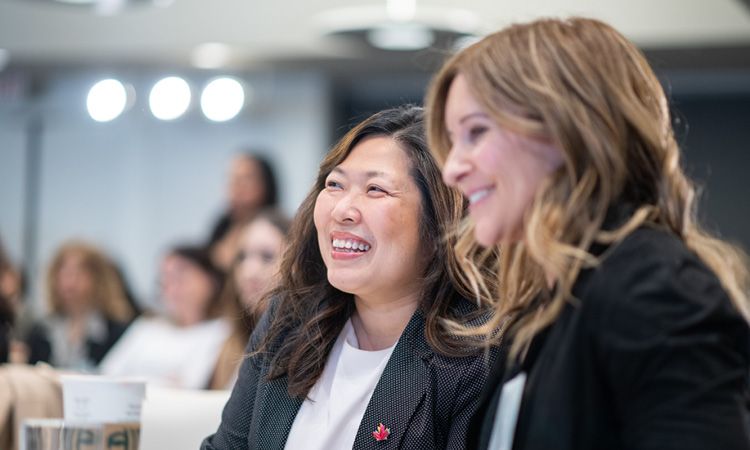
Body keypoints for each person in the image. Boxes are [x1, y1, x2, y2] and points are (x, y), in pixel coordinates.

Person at [425, 16, 750, 450]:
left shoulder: (653, 287)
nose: (451, 169)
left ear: (570, 130)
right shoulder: (542, 308)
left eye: (476, 132)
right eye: (452, 140)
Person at [202, 106, 494, 449]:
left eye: (375, 189)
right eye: (335, 184)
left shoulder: (474, 354)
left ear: (440, 221)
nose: (342, 210)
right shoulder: (290, 319)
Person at [99, 245, 231, 389]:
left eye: (180, 276)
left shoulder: (220, 330)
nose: (172, 287)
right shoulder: (146, 327)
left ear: (211, 280)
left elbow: (190, 386)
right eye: (165, 279)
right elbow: (106, 374)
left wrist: (133, 381)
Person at [210, 208, 291, 389]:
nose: (249, 271)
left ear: (296, 265)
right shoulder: (231, 342)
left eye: (267, 257)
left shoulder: (299, 348)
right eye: (242, 257)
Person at [42, 240, 137, 371]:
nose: (70, 282)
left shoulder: (116, 332)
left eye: (78, 273)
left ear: (98, 279)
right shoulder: (41, 331)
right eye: (64, 273)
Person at [207, 153, 279, 272]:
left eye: (245, 179)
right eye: (232, 179)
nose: (236, 186)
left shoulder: (276, 228)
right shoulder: (222, 226)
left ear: (266, 184)